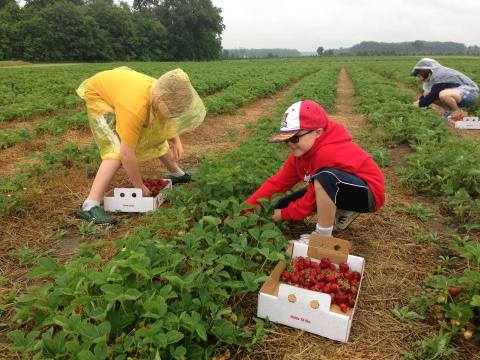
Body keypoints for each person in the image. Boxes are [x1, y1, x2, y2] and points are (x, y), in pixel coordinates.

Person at [74, 67, 206, 225]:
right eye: (171, 111)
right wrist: (139, 186)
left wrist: (176, 140)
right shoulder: (134, 109)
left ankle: (178, 175)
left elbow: (163, 123)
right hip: (99, 95)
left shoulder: (161, 91)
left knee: (153, 133)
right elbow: (126, 155)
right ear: (160, 100)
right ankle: (90, 204)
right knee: (115, 149)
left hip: (123, 89)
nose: (172, 115)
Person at [244, 100, 385, 236]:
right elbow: (276, 183)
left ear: (317, 132)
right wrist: (243, 211)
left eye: (294, 138)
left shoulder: (327, 153)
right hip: (338, 186)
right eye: (286, 139)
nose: (290, 144)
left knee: (324, 178)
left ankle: (323, 236)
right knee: (281, 205)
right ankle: (341, 209)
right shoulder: (300, 156)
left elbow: (312, 195)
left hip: (369, 194)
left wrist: (286, 214)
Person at [411, 58, 479, 120]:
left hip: (470, 93)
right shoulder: (433, 76)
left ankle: (457, 113)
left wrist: (419, 104)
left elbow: (432, 96)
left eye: (419, 75)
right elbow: (427, 95)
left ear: (426, 71)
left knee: (444, 95)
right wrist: (417, 102)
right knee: (427, 93)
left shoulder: (439, 75)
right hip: (458, 94)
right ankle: (449, 111)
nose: (419, 78)